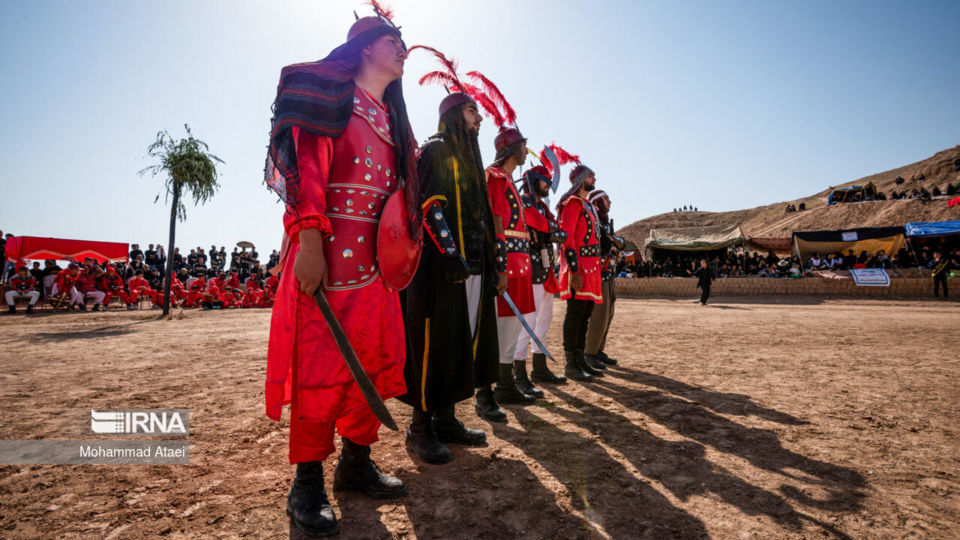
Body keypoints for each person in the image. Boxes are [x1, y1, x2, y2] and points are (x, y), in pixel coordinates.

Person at [263, 6, 419, 536]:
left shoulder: (394, 121)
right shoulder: (330, 99)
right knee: (319, 371)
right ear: (366, 45)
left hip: (377, 273)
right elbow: (309, 177)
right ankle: (306, 483)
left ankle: (356, 462)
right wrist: (308, 242)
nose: (404, 49)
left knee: (371, 364)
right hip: (329, 264)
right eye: (394, 39)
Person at [400, 52, 501, 464]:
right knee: (433, 346)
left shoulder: (470, 161)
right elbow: (428, 206)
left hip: (472, 269)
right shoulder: (437, 151)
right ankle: (420, 427)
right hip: (440, 270)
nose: (480, 119)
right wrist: (449, 252)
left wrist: (489, 266)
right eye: (474, 111)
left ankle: (446, 418)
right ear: (457, 114)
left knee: (460, 346)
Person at [514, 163, 568, 387]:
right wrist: (551, 229)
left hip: (545, 269)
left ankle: (539, 367)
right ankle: (519, 374)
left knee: (543, 323)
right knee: (527, 323)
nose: (548, 184)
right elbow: (540, 224)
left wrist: (551, 228)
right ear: (534, 180)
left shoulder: (542, 207)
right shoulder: (525, 201)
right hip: (531, 267)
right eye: (544, 180)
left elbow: (556, 228)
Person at [557, 161, 604, 381]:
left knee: (585, 314)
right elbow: (568, 239)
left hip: (592, 267)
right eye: (590, 176)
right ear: (580, 179)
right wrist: (574, 270)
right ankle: (570, 364)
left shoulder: (590, 207)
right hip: (579, 267)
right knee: (575, 312)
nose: (594, 179)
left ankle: (580, 359)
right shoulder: (573, 203)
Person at [584, 189, 621, 369]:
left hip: (609, 272)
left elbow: (611, 244)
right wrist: (612, 244)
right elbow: (603, 244)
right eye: (606, 199)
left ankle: (599, 349)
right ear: (597, 202)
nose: (610, 202)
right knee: (599, 315)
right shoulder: (594, 221)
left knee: (608, 313)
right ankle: (589, 352)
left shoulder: (605, 223)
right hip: (598, 273)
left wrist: (615, 247)